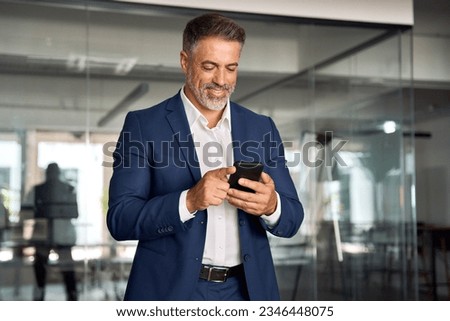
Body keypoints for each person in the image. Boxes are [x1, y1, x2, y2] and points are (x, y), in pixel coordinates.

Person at [107, 13, 304, 301]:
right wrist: (189, 200)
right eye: (210, 66)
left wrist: (271, 205)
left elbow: (293, 218)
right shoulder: (144, 125)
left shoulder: (261, 128)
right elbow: (121, 219)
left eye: (231, 67)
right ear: (185, 61)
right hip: (171, 291)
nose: (221, 80)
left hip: (247, 291)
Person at [32, 162, 78, 301]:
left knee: (66, 271)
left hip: (59, 235)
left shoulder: (66, 189)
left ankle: (71, 297)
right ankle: (70, 297)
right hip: (47, 236)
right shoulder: (66, 189)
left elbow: (74, 213)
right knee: (41, 271)